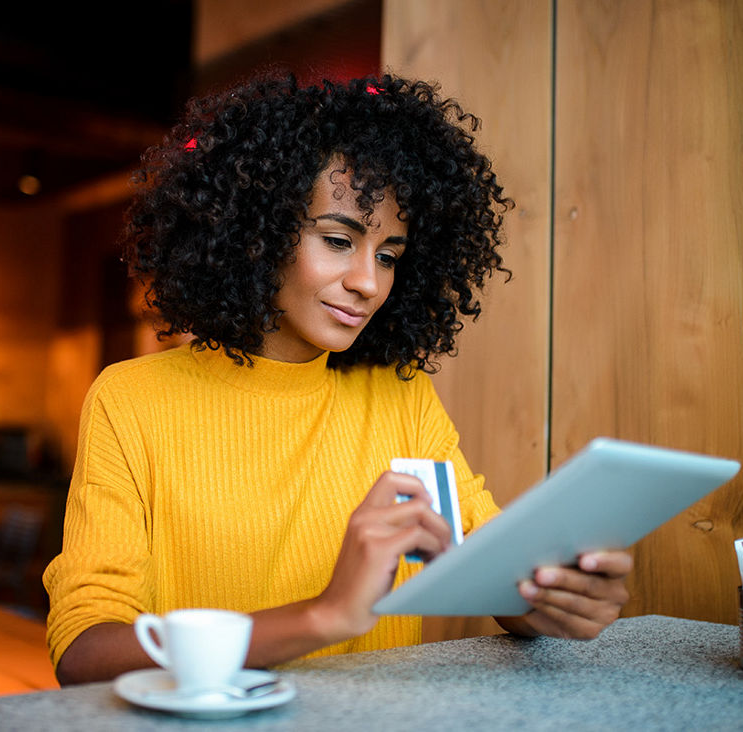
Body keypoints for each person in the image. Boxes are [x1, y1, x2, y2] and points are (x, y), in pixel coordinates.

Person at [43, 73, 632, 685]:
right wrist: (323, 616)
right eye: (337, 240)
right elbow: (86, 652)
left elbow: (495, 574)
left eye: (388, 255)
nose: (368, 283)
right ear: (255, 234)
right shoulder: (132, 400)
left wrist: (556, 595)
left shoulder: (399, 397)